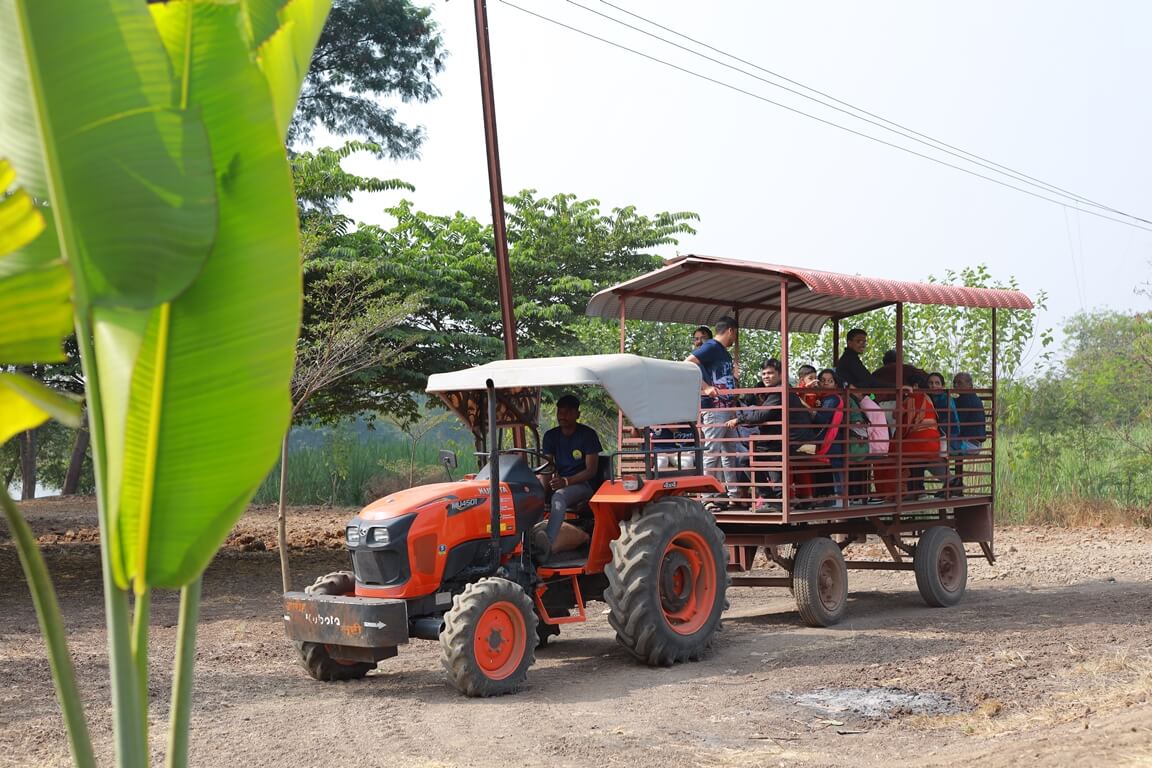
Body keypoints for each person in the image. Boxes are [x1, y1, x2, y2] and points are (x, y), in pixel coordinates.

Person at [686, 316, 747, 504]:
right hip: (713, 408)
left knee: (729, 452)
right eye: (735, 334)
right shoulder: (711, 346)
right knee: (712, 451)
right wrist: (705, 387)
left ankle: (734, 495)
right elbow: (688, 362)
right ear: (731, 330)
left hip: (727, 407)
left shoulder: (724, 353)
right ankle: (707, 497)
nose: (734, 339)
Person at [541, 394, 602, 550]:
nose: (562, 415)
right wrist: (542, 489)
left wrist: (566, 481)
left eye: (568, 411)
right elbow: (547, 467)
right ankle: (528, 541)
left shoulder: (588, 435)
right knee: (531, 494)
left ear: (577, 414)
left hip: (584, 485)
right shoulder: (550, 436)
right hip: (561, 483)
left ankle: (547, 544)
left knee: (559, 497)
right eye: (560, 411)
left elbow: (591, 470)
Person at [726, 358, 785, 508]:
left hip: (783, 441)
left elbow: (760, 415)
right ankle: (773, 500)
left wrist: (738, 420)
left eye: (770, 373)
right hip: (775, 440)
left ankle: (774, 501)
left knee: (758, 458)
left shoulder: (778, 393)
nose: (766, 376)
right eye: (764, 373)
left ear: (780, 374)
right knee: (751, 458)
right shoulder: (774, 393)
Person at [951, 372, 987, 488]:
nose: (956, 385)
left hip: (969, 445)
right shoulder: (968, 398)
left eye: (960, 383)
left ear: (970, 385)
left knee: (933, 451)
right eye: (954, 383)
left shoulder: (967, 399)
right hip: (970, 443)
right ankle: (953, 484)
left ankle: (952, 484)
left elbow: (957, 425)